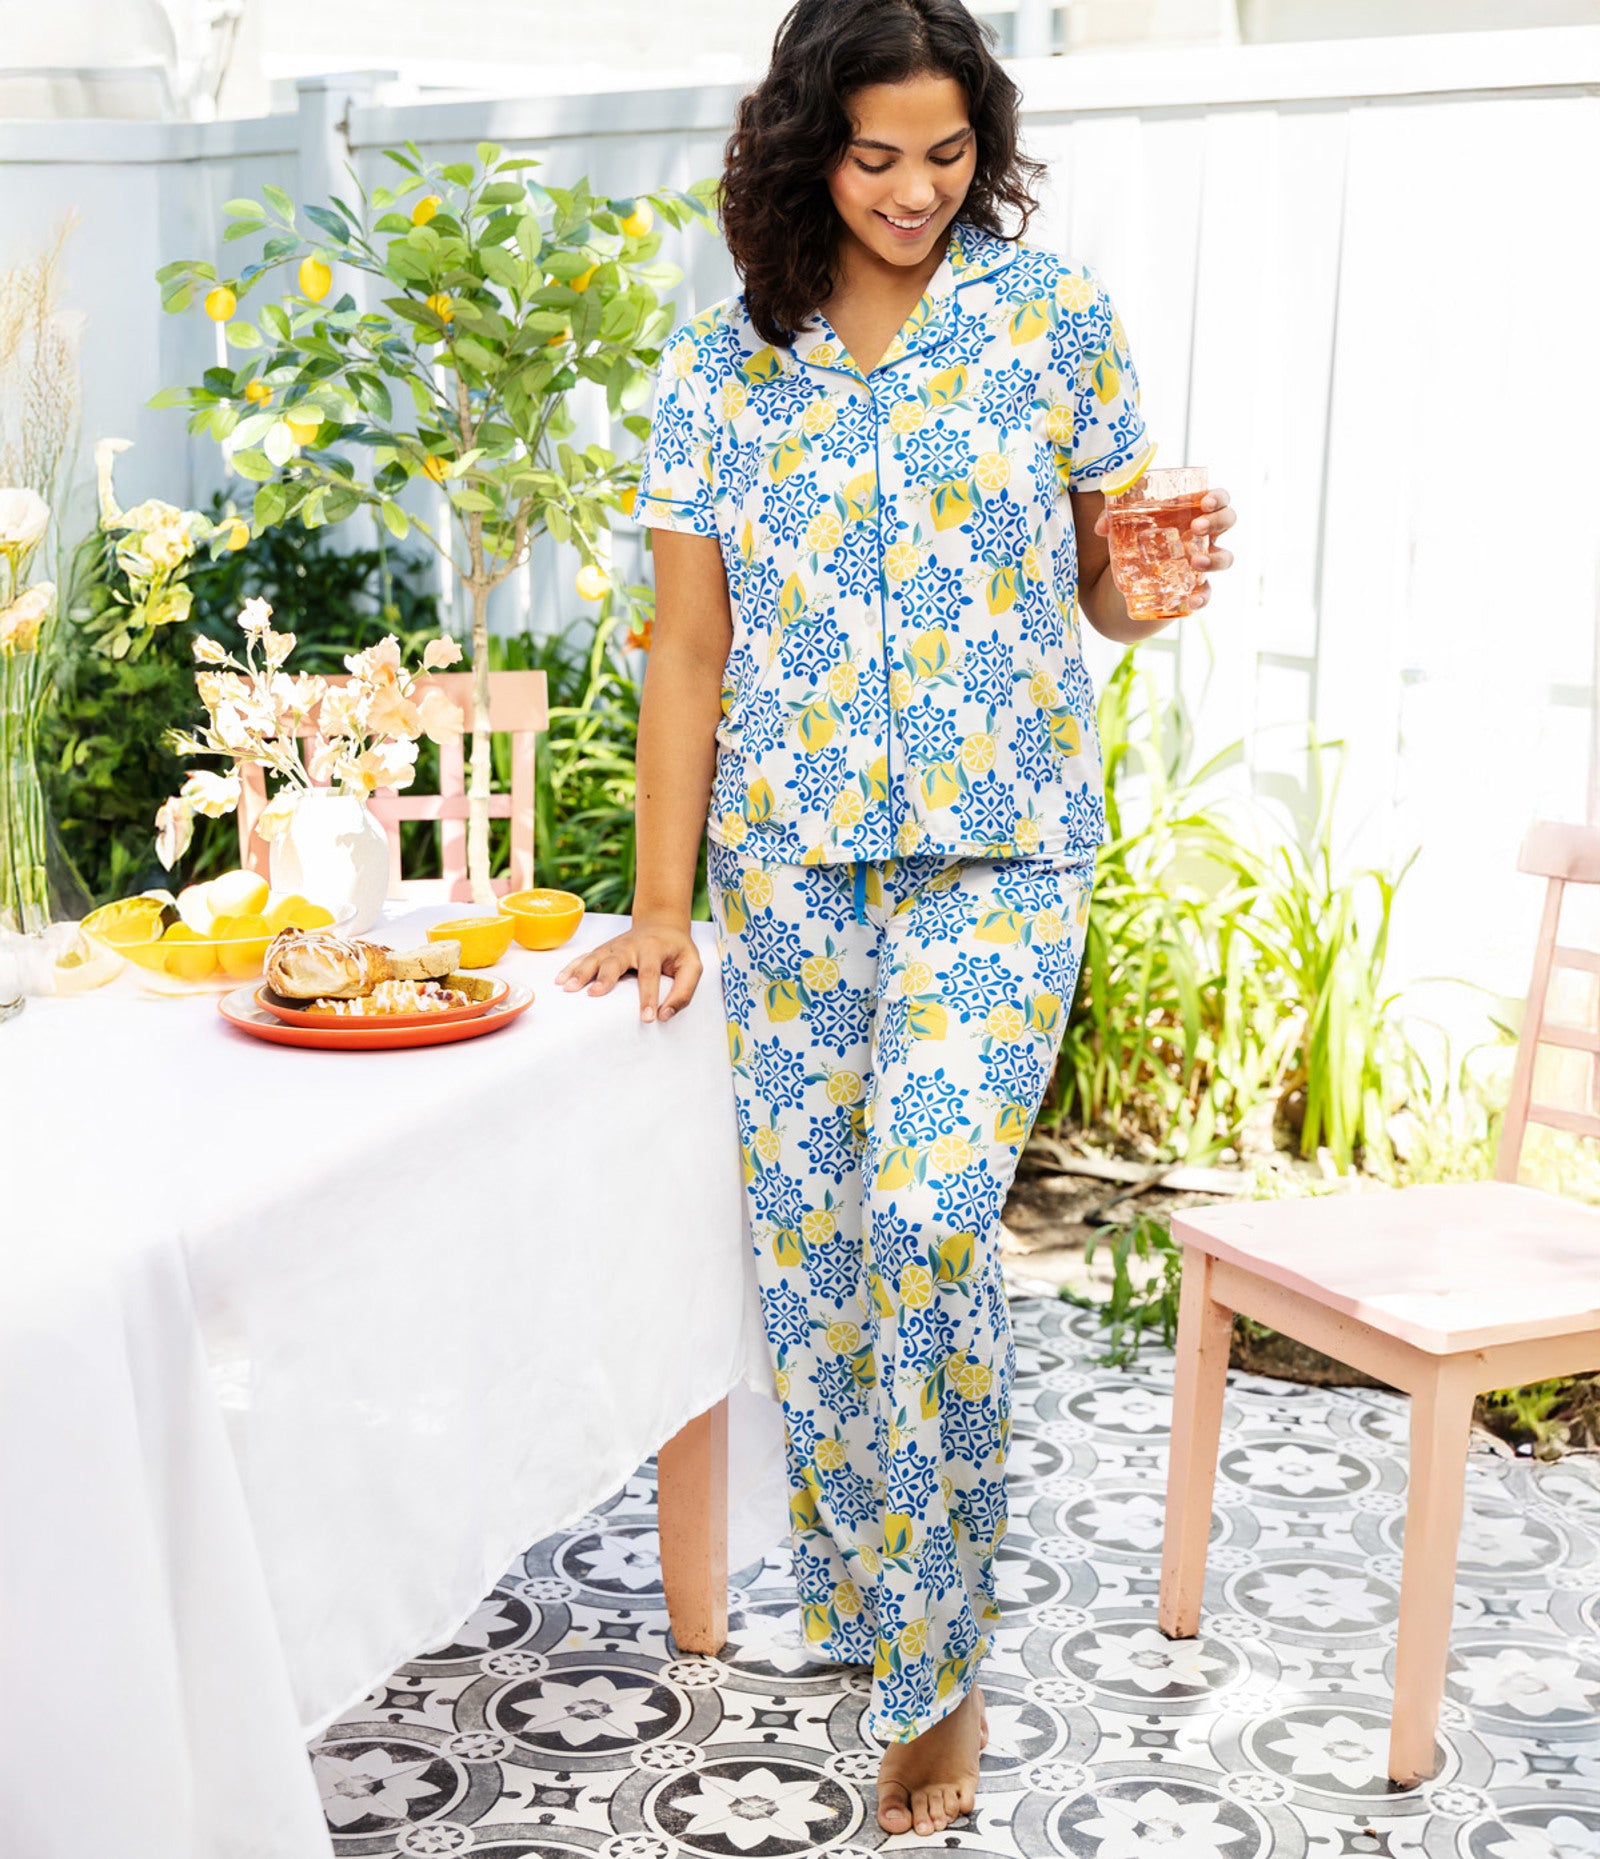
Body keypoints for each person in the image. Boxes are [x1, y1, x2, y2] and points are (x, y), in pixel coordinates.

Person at [558, 0, 1237, 1837]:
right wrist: (662, 903)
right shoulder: (723, 369)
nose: (917, 190)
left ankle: (940, 1679)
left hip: (1003, 851)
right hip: (789, 868)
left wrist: (1147, 587)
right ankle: (873, 1605)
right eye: (877, 156)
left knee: (925, 1223)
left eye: (948, 154)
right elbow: (686, 649)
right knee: (816, 1263)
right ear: (809, 150)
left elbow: (1103, 591)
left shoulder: (1054, 321)